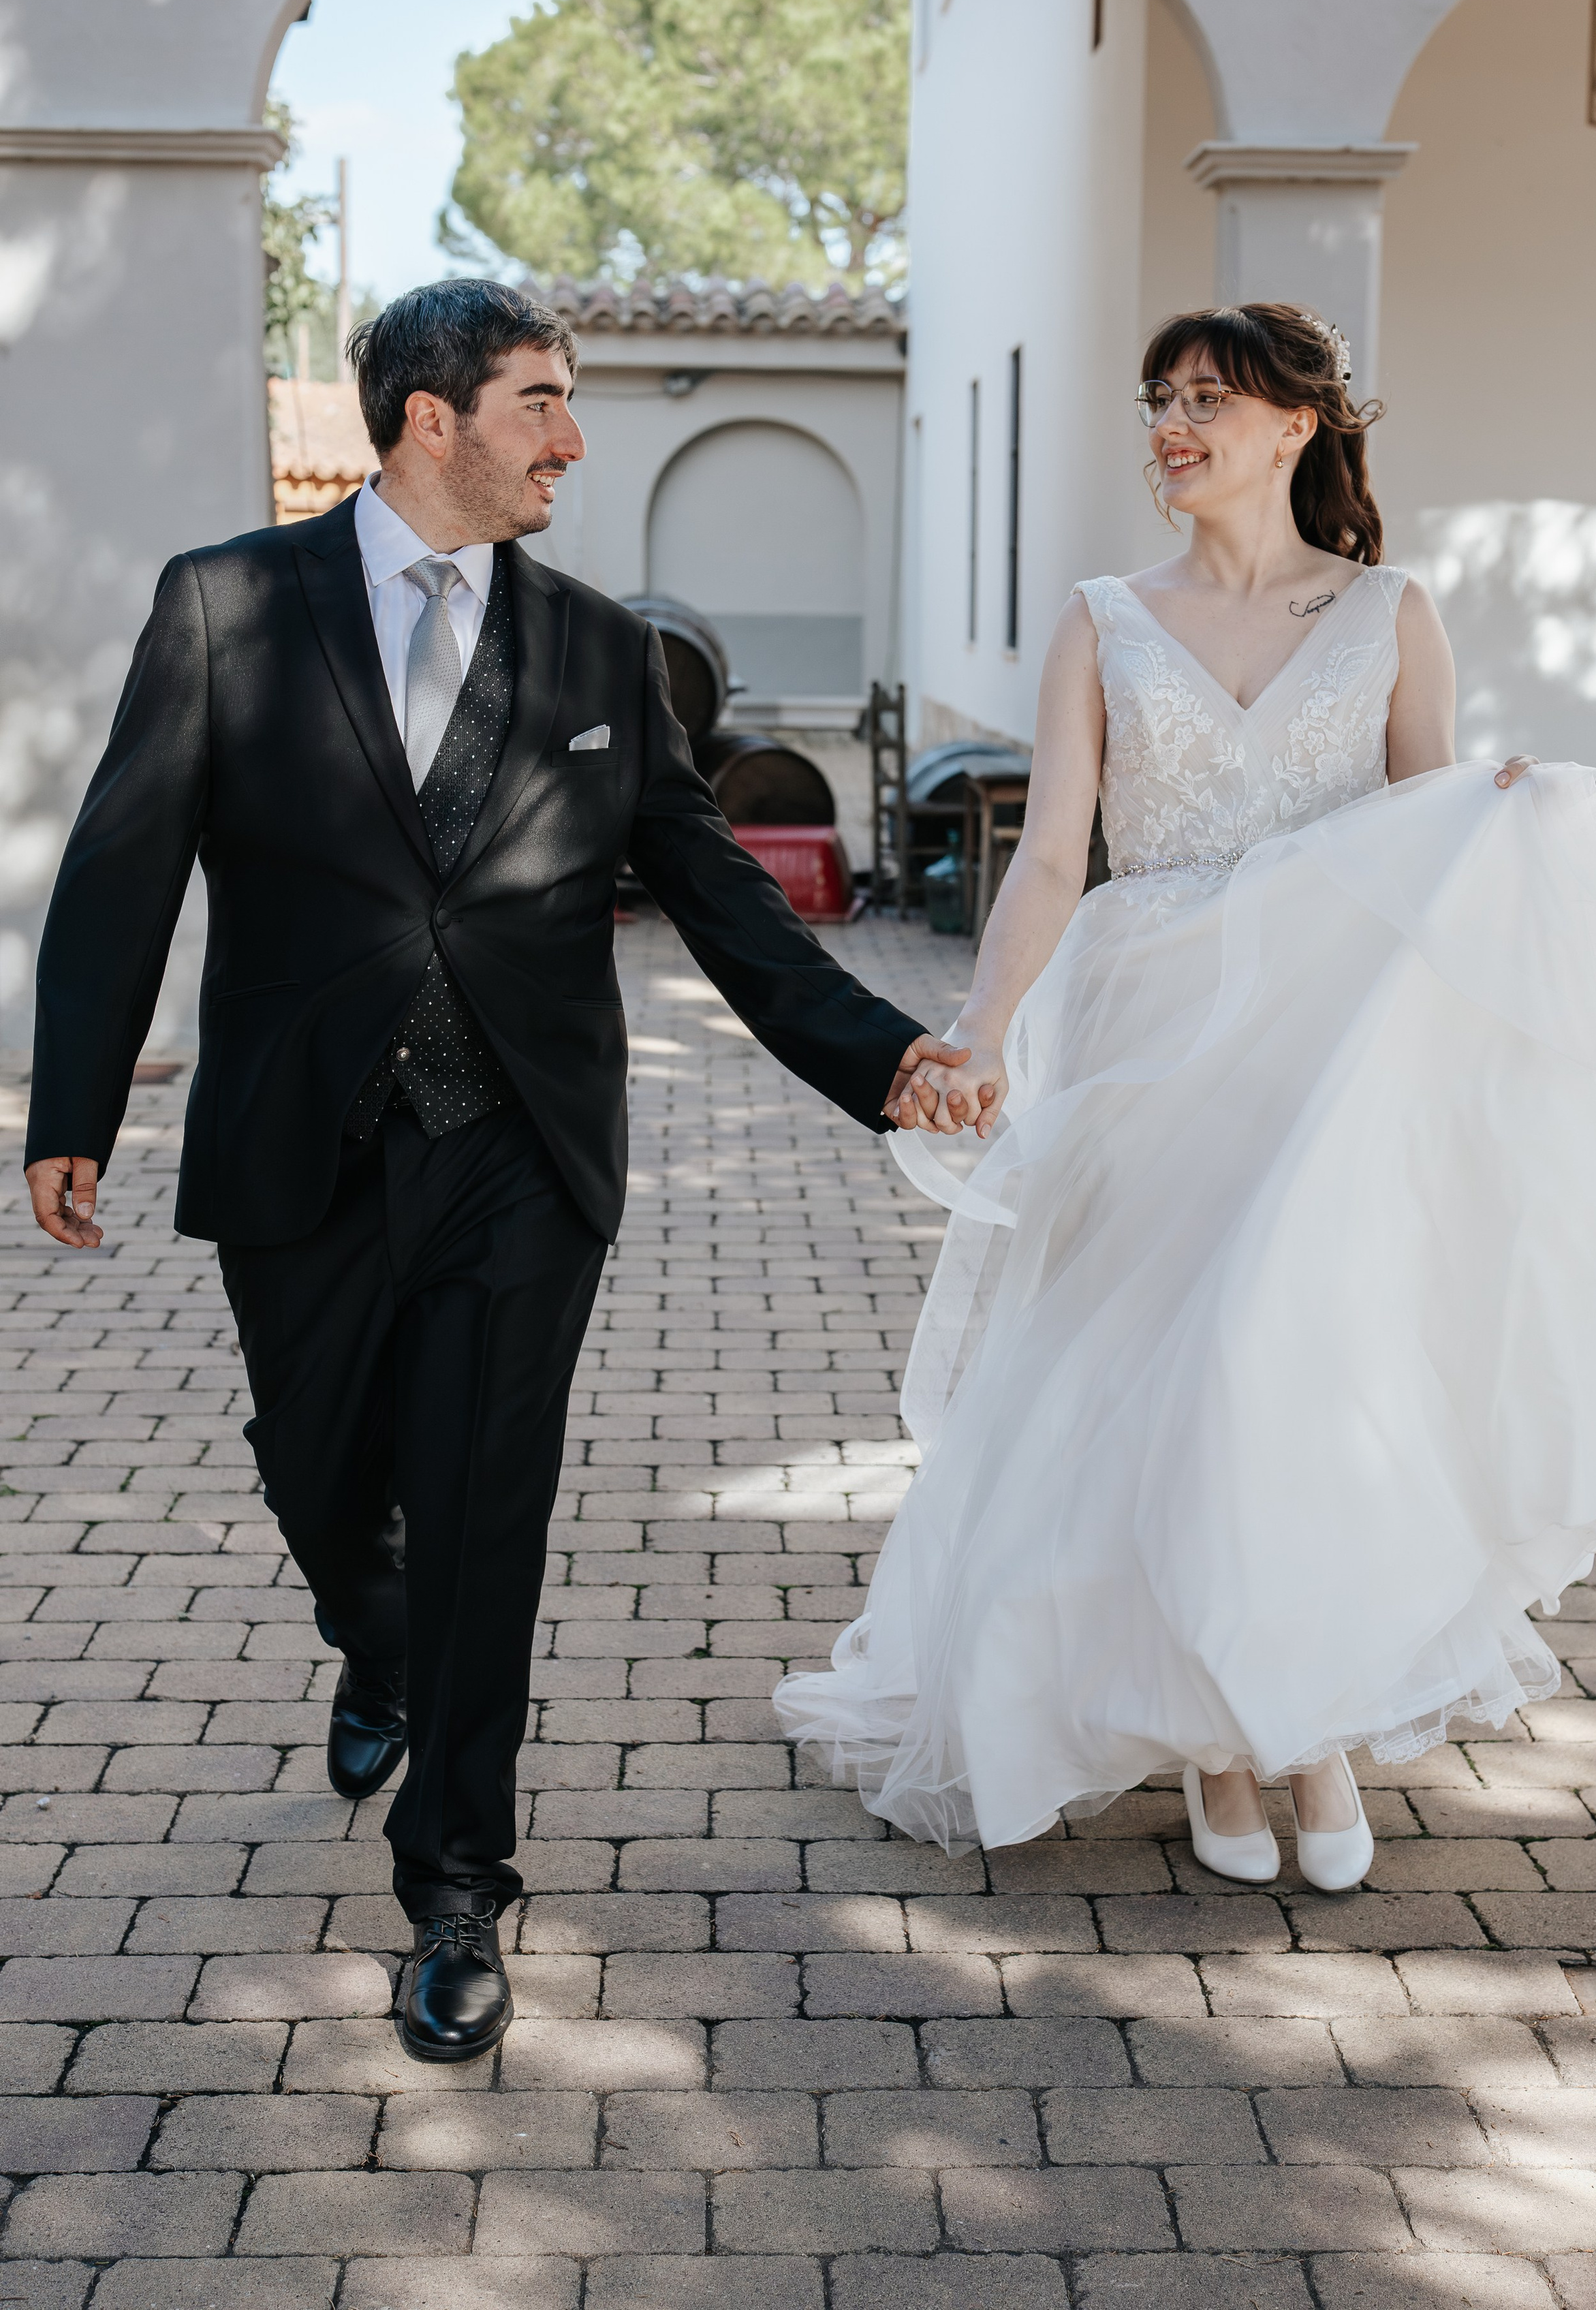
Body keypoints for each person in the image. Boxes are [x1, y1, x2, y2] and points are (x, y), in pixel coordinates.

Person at [22, 278, 967, 2060]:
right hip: (303, 1142)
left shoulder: (603, 654)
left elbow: (723, 896)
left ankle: (458, 1883)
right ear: (428, 419)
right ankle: (368, 1649)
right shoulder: (229, 606)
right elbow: (125, 859)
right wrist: (71, 1105)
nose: (571, 437)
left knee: (480, 1519)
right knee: (321, 1479)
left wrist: (885, 1056)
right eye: (540, 399)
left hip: (522, 1156)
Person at [775, 299, 1596, 1888]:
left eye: (1203, 398)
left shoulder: (1389, 611)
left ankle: (1309, 1719)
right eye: (1156, 398)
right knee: (1152, 1373)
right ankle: (1225, 1741)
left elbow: (1430, 832)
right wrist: (987, 1026)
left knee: (1283, 1369)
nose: (1168, 423)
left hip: (1326, 1051)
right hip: (1149, 1030)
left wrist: (1499, 809)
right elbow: (1053, 855)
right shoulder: (1102, 618)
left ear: (1294, 424)